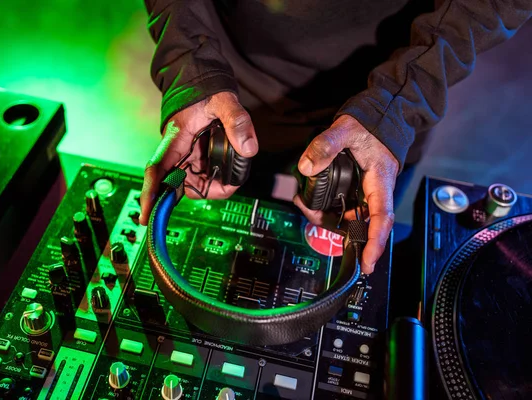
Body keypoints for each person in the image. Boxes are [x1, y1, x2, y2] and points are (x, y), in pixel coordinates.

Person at [139, 0, 532, 274]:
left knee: (351, 239)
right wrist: (192, 68)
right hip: (235, 99)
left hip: (385, 112)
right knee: (231, 230)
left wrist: (396, 104)